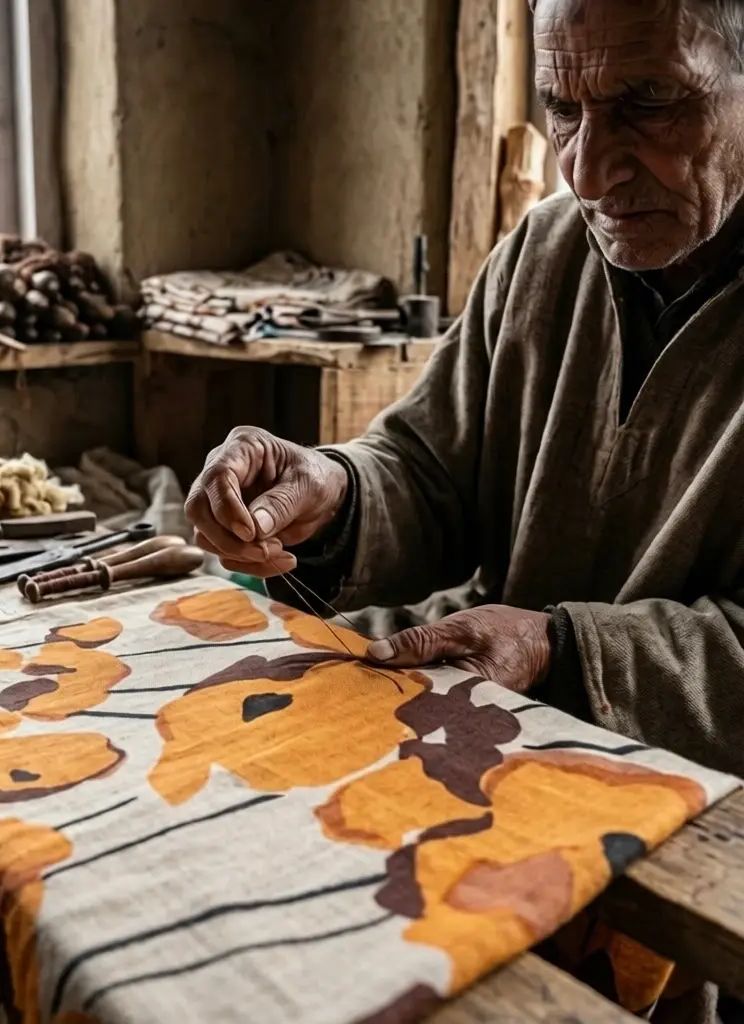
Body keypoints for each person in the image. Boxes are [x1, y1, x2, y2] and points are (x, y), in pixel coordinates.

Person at [186, 0, 744, 781]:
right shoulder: (546, 251)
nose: (585, 171)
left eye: (649, 102)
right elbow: (429, 470)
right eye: (562, 109)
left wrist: (561, 649)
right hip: (499, 740)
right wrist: (334, 493)